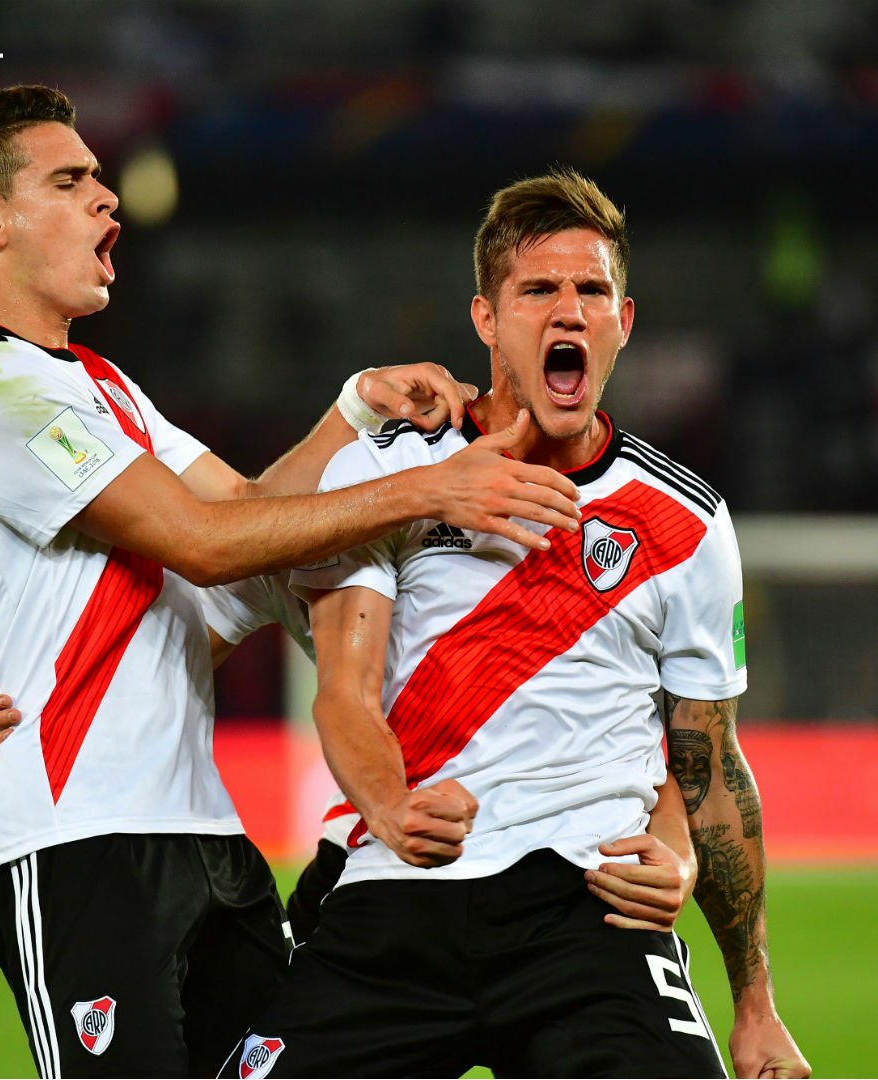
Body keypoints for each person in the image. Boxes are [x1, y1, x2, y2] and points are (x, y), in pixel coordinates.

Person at [0, 84, 584, 1079]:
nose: (107, 198)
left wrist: (353, 413)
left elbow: (251, 523)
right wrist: (429, 488)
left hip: (204, 833)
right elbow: (205, 543)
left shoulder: (102, 386)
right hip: (78, 839)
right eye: (70, 180)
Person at [219, 168, 811, 1079]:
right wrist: (390, 807)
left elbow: (708, 763)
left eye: (592, 292)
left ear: (623, 322)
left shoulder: (687, 521)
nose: (569, 311)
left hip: (592, 907)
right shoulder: (390, 474)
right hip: (399, 889)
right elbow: (343, 694)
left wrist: (756, 1003)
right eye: (538, 290)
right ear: (487, 321)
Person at [0, 575, 699, 943]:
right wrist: (29, 707)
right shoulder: (345, 532)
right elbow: (146, 663)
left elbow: (648, 740)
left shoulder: (599, 536)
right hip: (371, 876)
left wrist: (681, 854)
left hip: (559, 887)